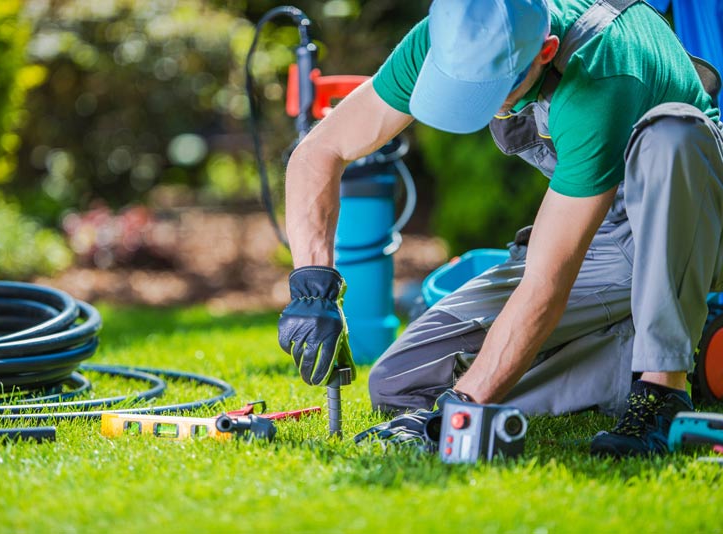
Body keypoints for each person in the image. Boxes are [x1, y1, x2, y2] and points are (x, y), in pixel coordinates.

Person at [277, 0, 723, 457]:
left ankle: (661, 389)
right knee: (401, 380)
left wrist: (463, 407)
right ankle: (665, 341)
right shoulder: (456, 30)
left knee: (673, 133)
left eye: (494, 89)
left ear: (545, 52)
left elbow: (546, 283)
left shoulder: (600, 72)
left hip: (695, 221)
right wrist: (312, 288)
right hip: (603, 229)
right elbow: (320, 151)